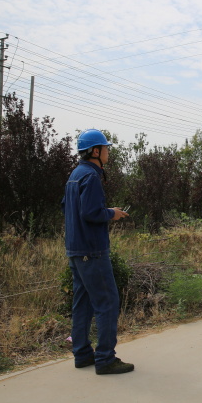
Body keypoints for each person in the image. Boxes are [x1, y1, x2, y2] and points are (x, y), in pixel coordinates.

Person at [62, 129, 134, 375]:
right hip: (92, 250)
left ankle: (82, 354)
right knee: (107, 302)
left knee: (82, 303)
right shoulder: (91, 176)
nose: (108, 152)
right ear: (95, 151)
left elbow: (69, 208)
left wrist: (105, 210)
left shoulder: (75, 175)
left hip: (75, 249)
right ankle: (105, 359)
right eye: (105, 148)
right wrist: (111, 213)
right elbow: (91, 213)